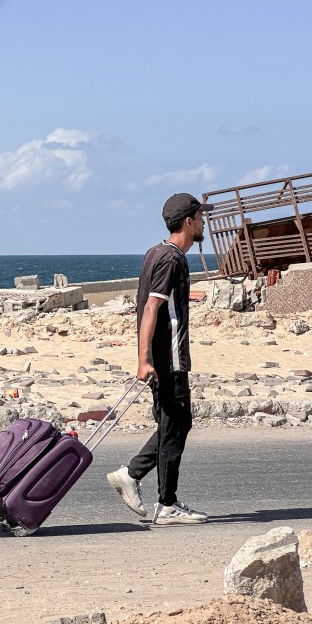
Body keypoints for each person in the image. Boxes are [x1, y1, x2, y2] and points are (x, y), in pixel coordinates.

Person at [106, 193, 213, 525]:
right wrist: (144, 360)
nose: (203, 222)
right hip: (168, 359)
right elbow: (150, 308)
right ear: (188, 221)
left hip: (162, 358)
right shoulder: (172, 259)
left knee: (175, 424)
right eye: (200, 216)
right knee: (176, 424)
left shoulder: (157, 253)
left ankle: (143, 483)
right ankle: (159, 498)